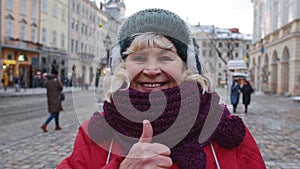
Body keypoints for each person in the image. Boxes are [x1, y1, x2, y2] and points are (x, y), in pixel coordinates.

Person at [58, 8, 266, 169]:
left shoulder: (225, 129)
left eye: (166, 57)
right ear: (120, 66)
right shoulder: (95, 133)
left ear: (188, 66)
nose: (151, 69)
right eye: (138, 58)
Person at [40, 67, 63, 132]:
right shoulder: (55, 79)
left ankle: (57, 125)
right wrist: (58, 79)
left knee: (56, 111)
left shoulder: (48, 79)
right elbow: (61, 87)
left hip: (50, 98)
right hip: (56, 98)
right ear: (56, 74)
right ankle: (45, 124)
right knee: (54, 113)